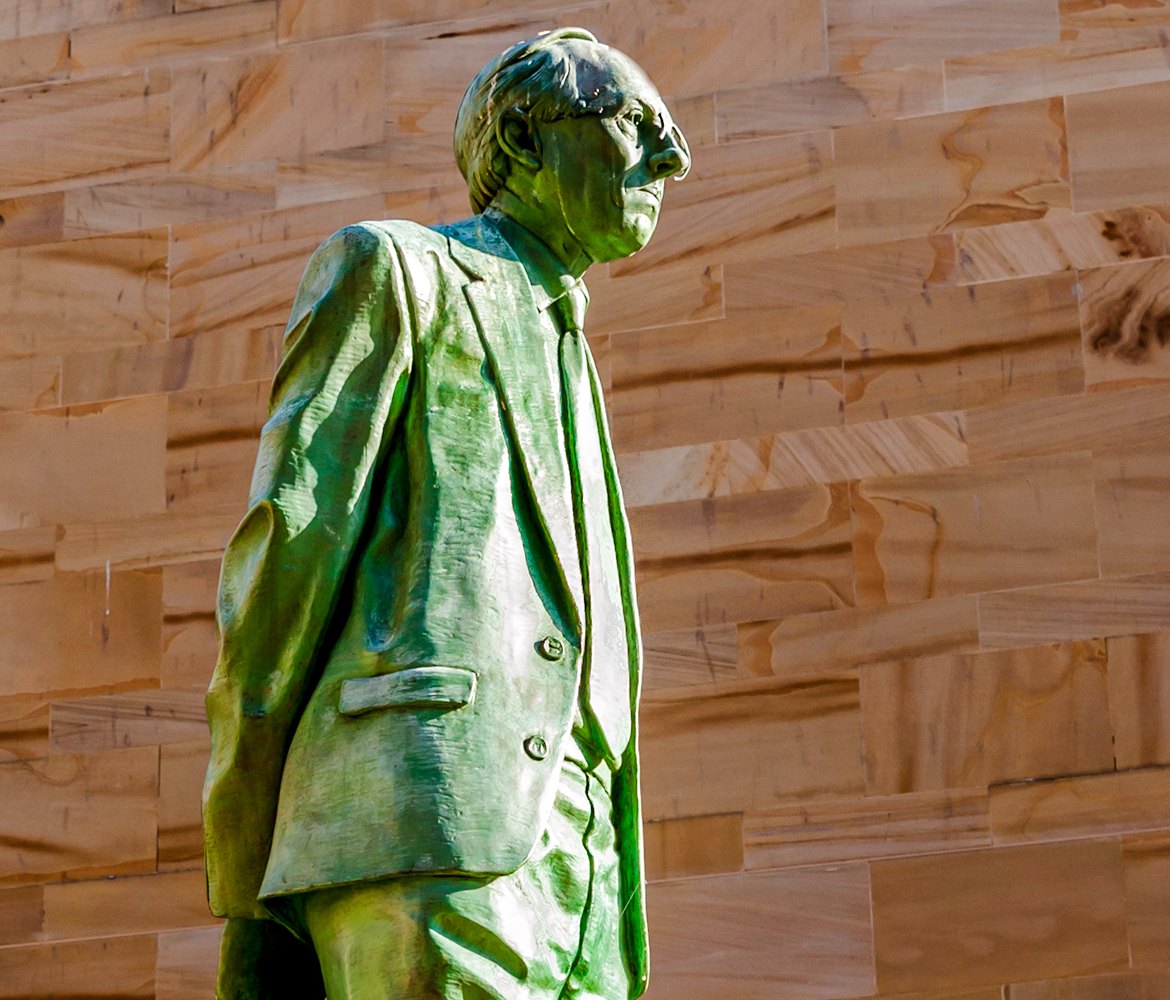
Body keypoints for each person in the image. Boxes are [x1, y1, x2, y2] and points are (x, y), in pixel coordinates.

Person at [201, 27, 690, 1000]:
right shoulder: (394, 271)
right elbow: (286, 556)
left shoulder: (574, 351)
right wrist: (249, 858)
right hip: (421, 827)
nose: (672, 156)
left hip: (585, 873)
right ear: (521, 137)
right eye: (635, 122)